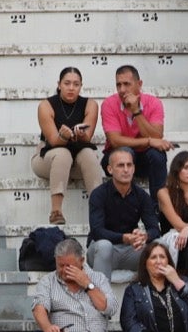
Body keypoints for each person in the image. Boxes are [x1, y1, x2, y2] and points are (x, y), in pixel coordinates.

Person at [33, 68, 104, 227]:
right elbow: (52, 140)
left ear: (81, 86)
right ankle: (56, 211)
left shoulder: (90, 104)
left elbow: (88, 137)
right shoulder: (46, 105)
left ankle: (100, 210)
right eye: (67, 83)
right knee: (62, 153)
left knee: (88, 154)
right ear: (59, 85)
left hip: (78, 161)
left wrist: (81, 135)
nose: (71, 88)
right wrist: (63, 136)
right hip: (48, 159)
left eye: (76, 84)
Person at [89, 148, 162, 281]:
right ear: (110, 169)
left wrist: (145, 236)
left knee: (159, 246)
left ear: (134, 168)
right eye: (121, 165)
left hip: (130, 251)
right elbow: (97, 231)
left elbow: (154, 229)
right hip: (103, 252)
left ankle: (154, 297)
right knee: (104, 245)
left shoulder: (142, 196)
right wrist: (124, 238)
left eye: (129, 165)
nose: (126, 169)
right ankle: (100, 298)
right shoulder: (98, 194)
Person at [101, 66, 173, 196]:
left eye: (127, 84)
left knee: (157, 155)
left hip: (144, 159)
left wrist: (136, 111)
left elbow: (157, 136)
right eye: (118, 85)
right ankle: (126, 204)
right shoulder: (108, 104)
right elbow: (115, 141)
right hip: (115, 158)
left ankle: (157, 208)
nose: (122, 90)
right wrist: (149, 141)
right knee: (125, 152)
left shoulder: (154, 103)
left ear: (139, 84)